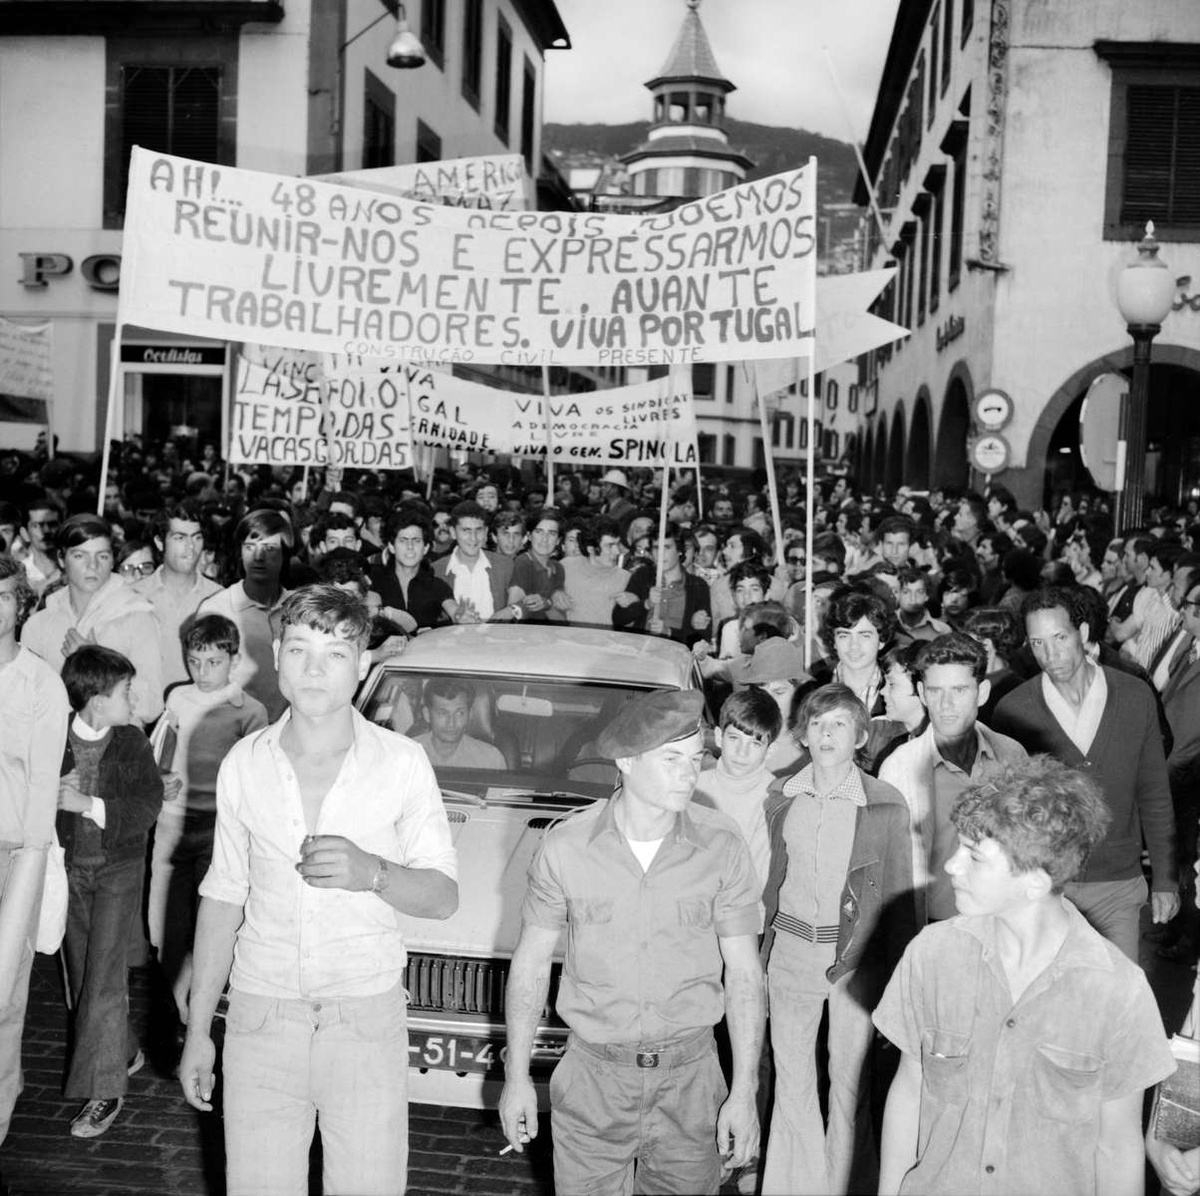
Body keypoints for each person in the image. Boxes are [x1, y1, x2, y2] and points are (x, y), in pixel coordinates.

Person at [179, 586, 458, 1195]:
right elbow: (224, 896)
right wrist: (200, 1030)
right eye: (300, 648)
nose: (313, 668)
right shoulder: (244, 763)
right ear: (275, 653)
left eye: (335, 653)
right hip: (260, 1017)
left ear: (363, 666)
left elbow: (442, 897)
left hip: (363, 1019)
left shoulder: (402, 762)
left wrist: (373, 873)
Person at [499, 689, 765, 1195]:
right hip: (594, 1080)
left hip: (691, 1081)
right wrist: (515, 1078)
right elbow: (530, 967)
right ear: (625, 761)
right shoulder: (566, 848)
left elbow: (746, 975)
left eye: (695, 759)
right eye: (672, 760)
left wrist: (745, 1090)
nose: (689, 774)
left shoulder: (721, 846)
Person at [874, 756, 1175, 1196]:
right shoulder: (931, 954)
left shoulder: (1117, 990)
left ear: (1035, 882)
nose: (952, 866)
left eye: (974, 856)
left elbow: (1116, 1147)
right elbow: (909, 1090)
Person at [760, 684, 917, 1196]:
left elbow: (898, 904)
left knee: (848, 1088)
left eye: (840, 725)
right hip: (789, 953)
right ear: (803, 735)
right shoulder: (779, 797)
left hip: (854, 963)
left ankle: (841, 1187)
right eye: (817, 724)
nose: (827, 734)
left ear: (860, 736)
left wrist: (897, 983)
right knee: (792, 1084)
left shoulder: (886, 805)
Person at [992, 587, 1178, 961]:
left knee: (1117, 1002)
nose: (1050, 654)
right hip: (1047, 888)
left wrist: (1165, 880)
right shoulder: (1014, 711)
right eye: (1038, 643)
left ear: (1084, 632)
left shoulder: (1133, 695)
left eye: (1060, 637)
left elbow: (1155, 793)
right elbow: (1008, 815)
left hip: (1119, 885)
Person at [57, 645, 164, 1137]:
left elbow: (146, 806)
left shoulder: (133, 743)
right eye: (125, 691)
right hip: (69, 872)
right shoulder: (54, 741)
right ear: (97, 701)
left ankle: (105, 1092)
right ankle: (123, 1049)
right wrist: (51, 794)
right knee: (84, 978)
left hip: (119, 870)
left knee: (102, 978)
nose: (134, 698)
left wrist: (87, 803)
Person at [147, 614, 268, 1033]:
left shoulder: (249, 710)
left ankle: (203, 1011)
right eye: (194, 661)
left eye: (213, 662)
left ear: (233, 660)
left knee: (210, 920)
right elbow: (161, 748)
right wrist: (160, 777)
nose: (201, 672)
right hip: (173, 821)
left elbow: (257, 777)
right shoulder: (178, 698)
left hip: (220, 829)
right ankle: (173, 1007)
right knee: (165, 917)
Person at [879, 633, 1028, 923]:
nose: (946, 704)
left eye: (959, 690)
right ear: (922, 693)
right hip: (933, 928)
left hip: (999, 923)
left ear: (982, 692)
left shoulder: (1012, 755)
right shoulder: (898, 769)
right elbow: (890, 867)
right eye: (936, 691)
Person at [0, 556, 70, 1147]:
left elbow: (45, 788)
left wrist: (30, 868)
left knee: (2, 998)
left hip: (14, 853)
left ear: (20, 603)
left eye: (2, 595)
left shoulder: (41, 683)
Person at [23, 513, 164, 727]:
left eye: (102, 556)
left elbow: (151, 704)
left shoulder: (137, 615)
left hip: (118, 747)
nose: (92, 565)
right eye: (80, 555)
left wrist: (96, 663)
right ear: (61, 559)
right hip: (55, 746)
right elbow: (27, 701)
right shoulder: (38, 625)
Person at [692, 687, 782, 924]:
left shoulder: (773, 800)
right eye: (734, 739)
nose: (742, 753)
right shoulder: (693, 788)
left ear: (770, 750)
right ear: (719, 737)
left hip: (742, 921)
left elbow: (757, 880)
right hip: (687, 915)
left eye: (754, 744)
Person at [197, 508, 294, 722]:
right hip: (232, 731)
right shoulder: (217, 609)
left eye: (269, 548)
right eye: (250, 547)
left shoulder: (299, 608)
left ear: (285, 554)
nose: (258, 557)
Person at [135, 502, 222, 691]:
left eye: (197, 537)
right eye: (180, 537)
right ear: (159, 542)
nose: (190, 547)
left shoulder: (219, 598)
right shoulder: (134, 596)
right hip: (143, 713)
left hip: (197, 711)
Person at [617, 528, 712, 646]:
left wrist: (669, 632)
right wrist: (646, 604)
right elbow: (618, 619)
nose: (660, 554)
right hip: (640, 654)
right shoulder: (642, 575)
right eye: (656, 548)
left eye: (667, 547)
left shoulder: (698, 585)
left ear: (679, 550)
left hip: (676, 659)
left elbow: (703, 639)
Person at [431, 500, 522, 623]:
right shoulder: (436, 570)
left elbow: (522, 605)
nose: (473, 538)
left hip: (497, 639)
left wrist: (512, 610)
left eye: (478, 530)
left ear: (485, 532)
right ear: (453, 532)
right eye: (466, 530)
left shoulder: (505, 566)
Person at [369, 509, 457, 633]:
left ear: (426, 548)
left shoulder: (437, 585)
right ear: (391, 547)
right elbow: (371, 613)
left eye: (416, 541)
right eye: (403, 541)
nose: (410, 547)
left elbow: (454, 611)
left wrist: (462, 616)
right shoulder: (375, 579)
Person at [559, 515, 636, 629]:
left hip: (606, 644)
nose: (616, 551)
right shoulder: (566, 566)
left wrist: (635, 604)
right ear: (591, 549)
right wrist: (555, 593)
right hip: (568, 642)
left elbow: (630, 625)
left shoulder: (625, 578)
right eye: (610, 546)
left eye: (617, 544)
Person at [413, 676, 507, 769]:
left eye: (459, 713)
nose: (451, 723)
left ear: (470, 715)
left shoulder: (491, 760)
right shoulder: (407, 753)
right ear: (427, 715)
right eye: (442, 713)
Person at [509, 508, 569, 622]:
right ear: (529, 536)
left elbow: (561, 621)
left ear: (558, 540)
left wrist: (547, 604)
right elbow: (514, 614)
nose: (544, 539)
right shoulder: (523, 562)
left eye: (552, 533)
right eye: (539, 531)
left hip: (551, 636)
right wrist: (549, 604)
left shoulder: (558, 568)